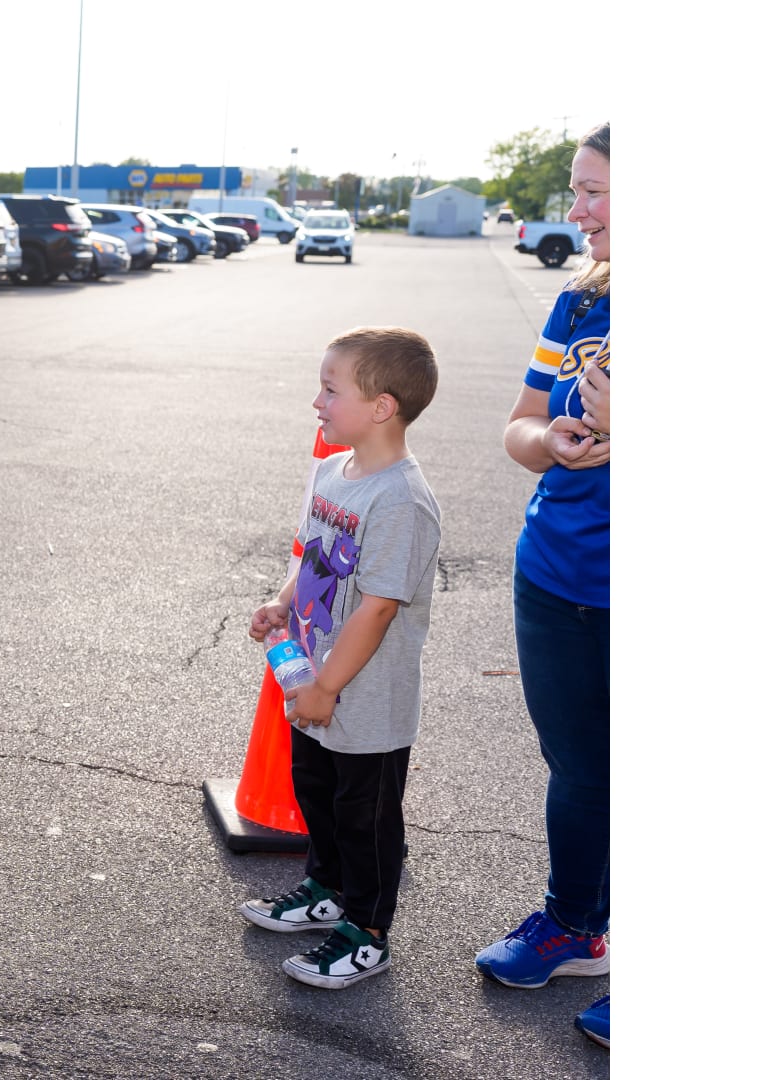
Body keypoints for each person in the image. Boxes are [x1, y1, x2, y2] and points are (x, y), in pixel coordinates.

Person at [239, 326, 442, 990]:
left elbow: (378, 607)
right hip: (316, 682)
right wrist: (281, 604)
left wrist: (326, 687)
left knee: (366, 819)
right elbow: (314, 559)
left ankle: (366, 933)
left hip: (365, 699)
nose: (317, 402)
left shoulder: (401, 501)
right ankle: (325, 890)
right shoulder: (333, 473)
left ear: (382, 406)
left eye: (331, 390)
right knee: (317, 794)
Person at [473, 122, 610, 1050]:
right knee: (579, 768)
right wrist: (549, 441)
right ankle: (574, 928)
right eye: (576, 188)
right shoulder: (580, 298)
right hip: (555, 575)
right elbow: (520, 424)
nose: (575, 209)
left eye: (594, 191)